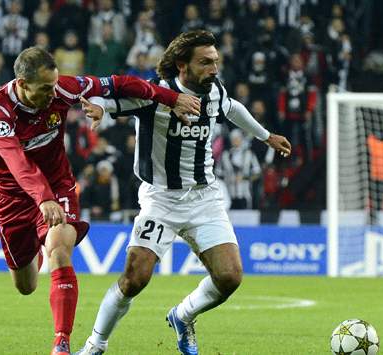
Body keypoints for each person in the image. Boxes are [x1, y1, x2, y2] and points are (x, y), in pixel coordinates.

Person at [76, 30, 291, 355]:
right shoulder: (155, 93)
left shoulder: (214, 92)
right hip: (161, 199)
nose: (213, 69)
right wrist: (100, 109)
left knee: (230, 276)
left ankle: (183, 315)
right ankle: (95, 344)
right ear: (182, 65)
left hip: (204, 198)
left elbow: (231, 109)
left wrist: (265, 136)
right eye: (205, 62)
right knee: (135, 278)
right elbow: (112, 100)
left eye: (215, 61)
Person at [0, 46, 200, 355]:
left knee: (59, 251)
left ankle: (62, 342)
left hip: (58, 187)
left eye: (54, 84)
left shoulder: (63, 88)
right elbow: (16, 160)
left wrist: (171, 97)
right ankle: (36, 247)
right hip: (14, 197)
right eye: (45, 88)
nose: (52, 93)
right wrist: (41, 198)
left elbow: (120, 83)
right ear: (21, 82)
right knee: (26, 285)